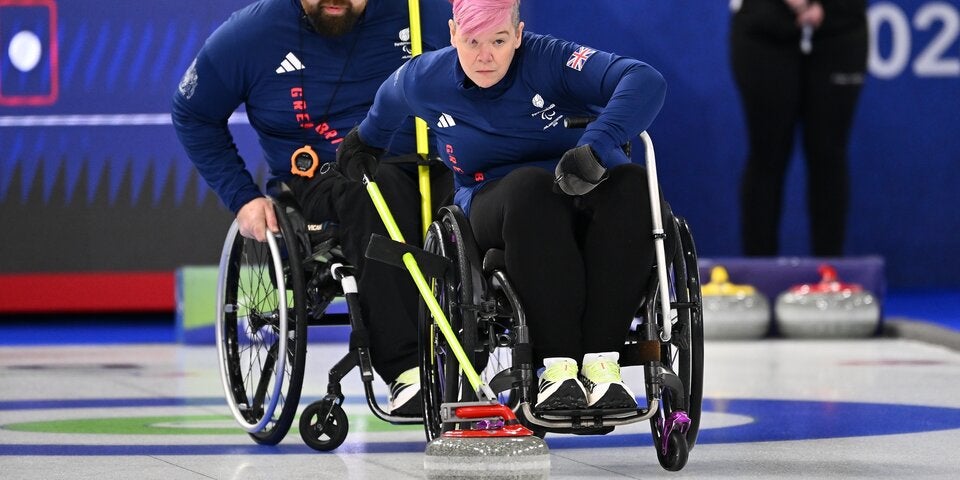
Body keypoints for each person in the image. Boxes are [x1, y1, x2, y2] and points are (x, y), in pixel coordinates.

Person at [336, 0, 670, 411]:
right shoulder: (426, 76)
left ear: (518, 34)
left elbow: (644, 79)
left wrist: (597, 145)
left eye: (498, 40)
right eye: (473, 41)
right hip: (496, 198)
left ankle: (602, 365)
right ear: (453, 33)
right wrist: (366, 140)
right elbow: (388, 101)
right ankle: (558, 367)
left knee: (636, 184)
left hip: (583, 180)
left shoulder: (552, 59)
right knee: (530, 187)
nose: (485, 55)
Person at [171, 0, 453, 416]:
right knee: (375, 186)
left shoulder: (419, 11)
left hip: (431, 165)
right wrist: (242, 197)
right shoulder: (250, 35)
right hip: (324, 179)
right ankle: (407, 369)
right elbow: (192, 113)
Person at [730, 0, 868, 256]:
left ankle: (829, 277)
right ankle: (761, 274)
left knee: (829, 155)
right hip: (764, 26)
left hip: (840, 25)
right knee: (767, 155)